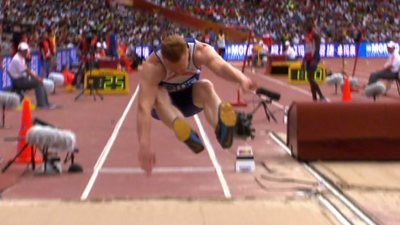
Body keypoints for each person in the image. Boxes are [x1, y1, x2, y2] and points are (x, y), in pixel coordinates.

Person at [137, 35, 258, 174]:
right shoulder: (154, 67)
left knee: (206, 86)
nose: (179, 73)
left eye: (182, 68)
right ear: (165, 60)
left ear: (188, 52)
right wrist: (144, 143)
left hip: (190, 99)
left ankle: (222, 129)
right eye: (174, 70)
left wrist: (241, 79)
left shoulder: (200, 51)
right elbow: (144, 108)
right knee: (158, 94)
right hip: (164, 107)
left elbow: (221, 66)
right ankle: (181, 127)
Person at [8, 42, 57, 109]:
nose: (27, 52)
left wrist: (36, 78)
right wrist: (38, 79)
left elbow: (26, 71)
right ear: (20, 51)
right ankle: (41, 104)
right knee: (38, 83)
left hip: (21, 78)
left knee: (38, 81)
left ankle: (46, 103)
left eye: (27, 50)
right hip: (19, 81)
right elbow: (27, 71)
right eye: (25, 51)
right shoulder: (17, 59)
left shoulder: (20, 57)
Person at [302, 16, 327, 102]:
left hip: (314, 57)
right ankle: (314, 99)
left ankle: (321, 96)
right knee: (310, 79)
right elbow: (307, 48)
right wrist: (304, 61)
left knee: (310, 78)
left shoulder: (315, 35)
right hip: (308, 58)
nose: (306, 26)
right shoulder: (306, 36)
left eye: (308, 24)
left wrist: (315, 60)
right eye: (305, 24)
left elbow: (317, 48)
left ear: (312, 24)